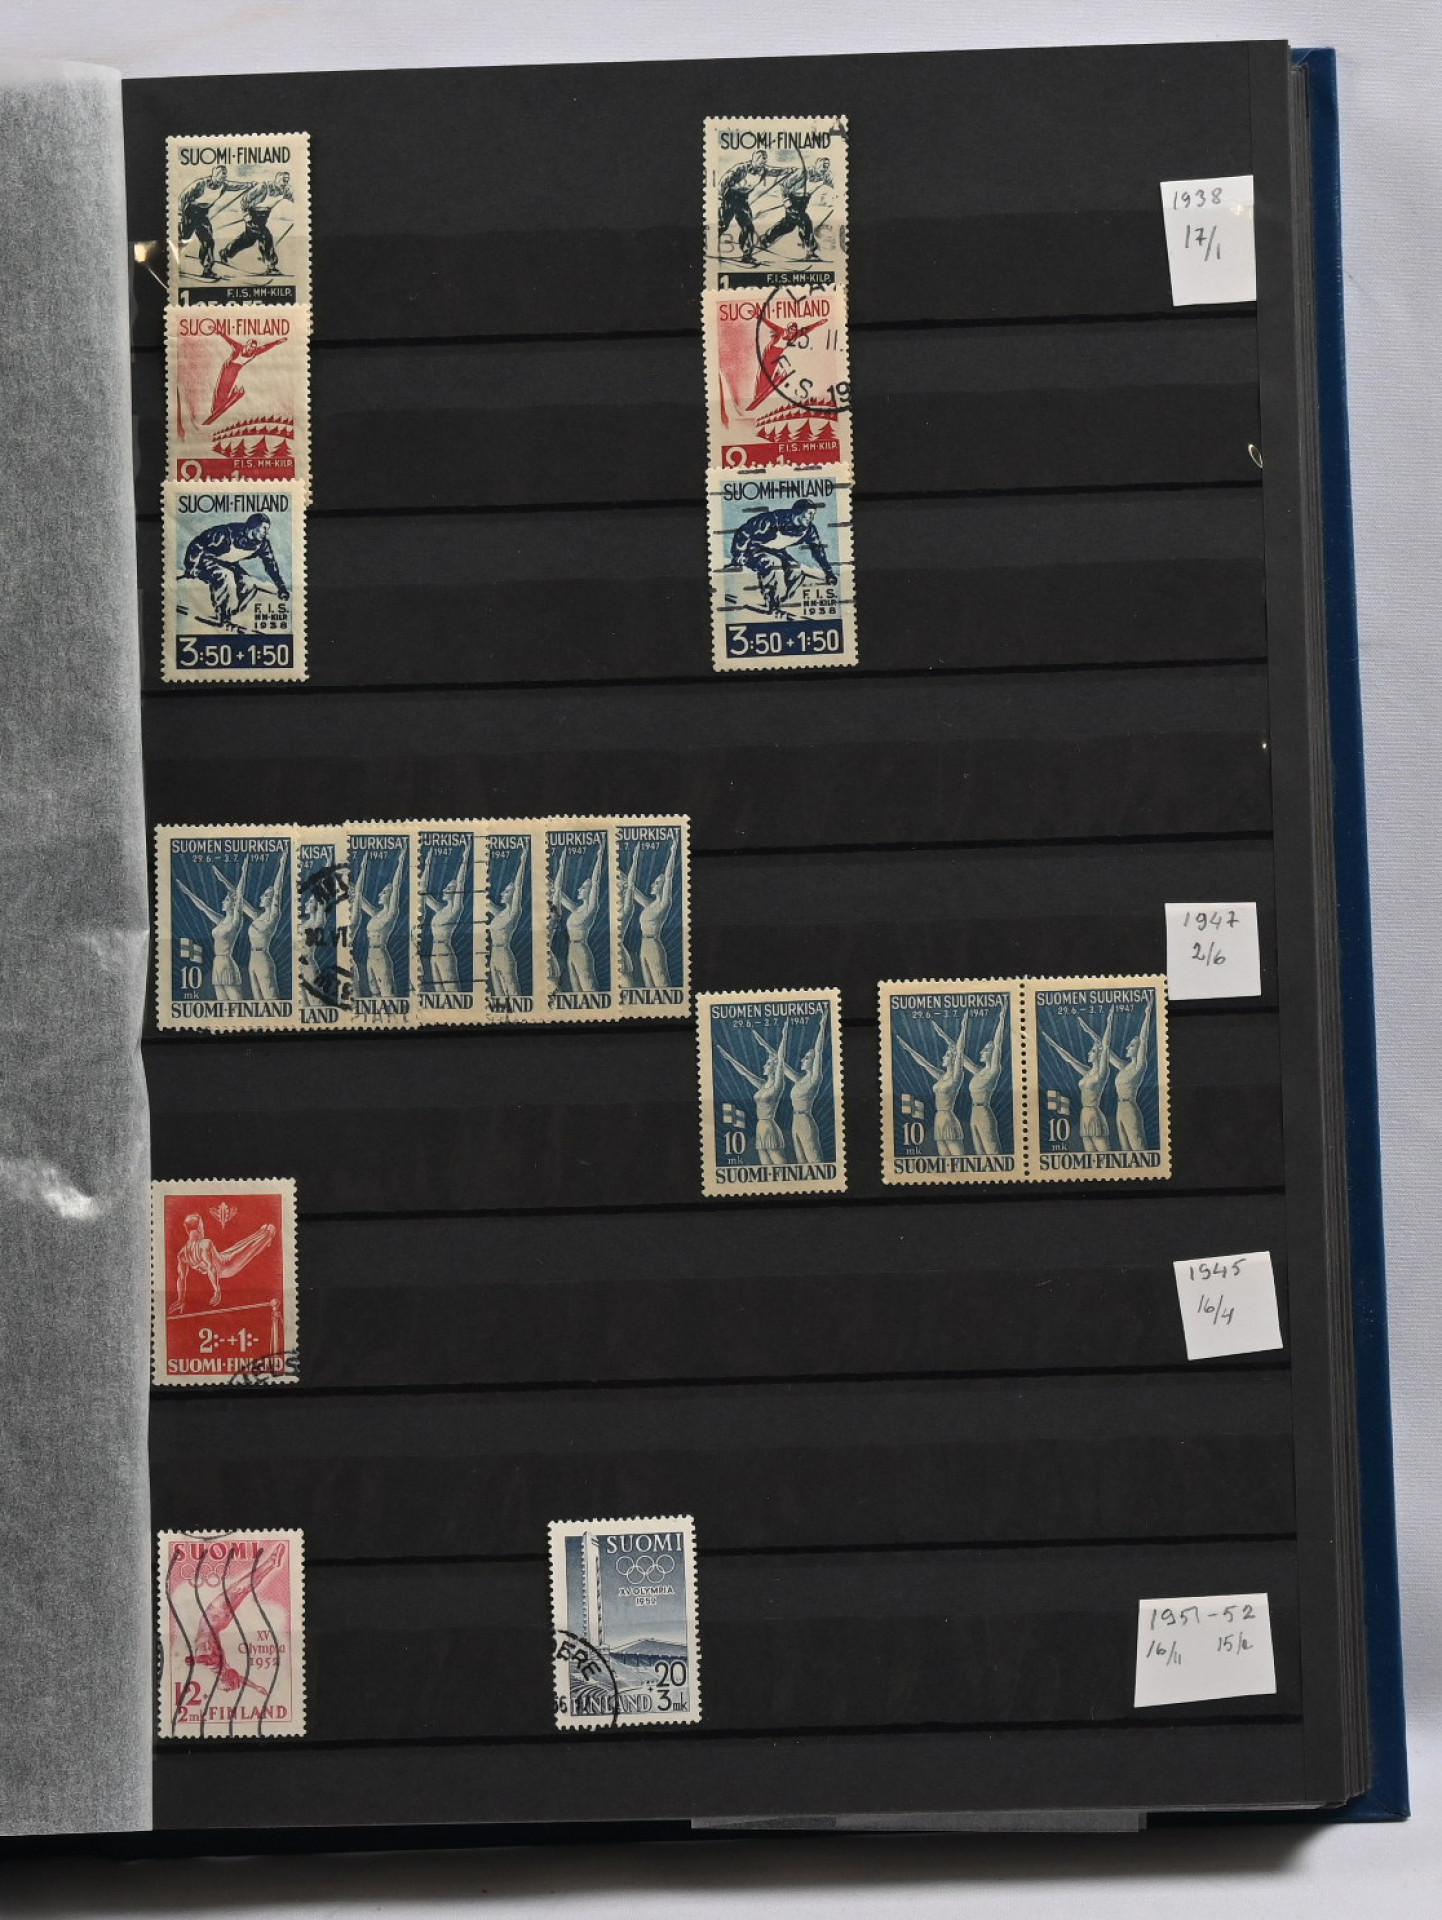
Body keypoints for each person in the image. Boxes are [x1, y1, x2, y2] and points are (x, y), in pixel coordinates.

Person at [728, 494, 836, 617]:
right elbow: (744, 532)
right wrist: (739, 554)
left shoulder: (809, 530)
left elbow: (818, 550)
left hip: (776, 551)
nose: (812, 518)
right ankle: (772, 605)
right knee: (773, 563)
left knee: (796, 569)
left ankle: (779, 601)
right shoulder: (772, 519)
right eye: (809, 514)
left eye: (813, 514)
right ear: (798, 512)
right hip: (752, 550)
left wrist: (828, 572)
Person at [181, 511, 289, 630]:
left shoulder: (262, 544)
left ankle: (230, 611)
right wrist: (191, 566)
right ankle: (224, 617)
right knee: (225, 576)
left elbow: (271, 565)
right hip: (207, 559)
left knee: (249, 583)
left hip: (228, 563)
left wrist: (281, 587)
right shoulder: (225, 533)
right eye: (264, 528)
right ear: (253, 526)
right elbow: (198, 544)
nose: (266, 532)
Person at [174, 855, 251, 1003]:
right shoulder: (221, 921)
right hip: (218, 963)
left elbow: (240, 895)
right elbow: (203, 907)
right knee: (222, 1001)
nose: (223, 901)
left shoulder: (234, 922)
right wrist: (187, 892)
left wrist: (244, 871)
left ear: (233, 904)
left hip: (227, 962)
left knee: (236, 1001)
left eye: (226, 900)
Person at [1078, 1001, 1153, 1152]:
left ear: (1139, 1049)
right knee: (1125, 1148)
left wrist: (1147, 1014)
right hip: (1120, 1109)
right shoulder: (1124, 1067)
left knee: (1137, 1146)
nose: (1127, 1047)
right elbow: (1106, 1050)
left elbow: (1144, 1038)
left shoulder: (1138, 1067)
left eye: (1132, 1045)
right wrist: (1089, 1032)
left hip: (1130, 1108)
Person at [1043, 1005, 1118, 1153]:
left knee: (1104, 1153)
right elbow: (1070, 1060)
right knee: (1090, 1155)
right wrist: (1054, 1045)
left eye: (1093, 1051)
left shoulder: (1101, 1073)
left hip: (1094, 1114)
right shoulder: (1087, 1072)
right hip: (1085, 1115)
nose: (1089, 1052)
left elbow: (1105, 1046)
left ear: (1099, 1055)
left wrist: (1109, 1022)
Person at [173, 1208, 276, 1314]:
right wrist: (216, 1289)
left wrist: (180, 1299)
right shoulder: (204, 1244)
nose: (203, 1229)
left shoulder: (182, 1253)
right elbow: (211, 1267)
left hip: (223, 1258)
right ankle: (268, 1233)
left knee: (242, 1245)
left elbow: (181, 1277)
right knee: (249, 1248)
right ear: (199, 1228)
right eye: (202, 1227)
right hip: (228, 1266)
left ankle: (264, 1233)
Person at [715, 1021, 789, 1166]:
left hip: (769, 1126)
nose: (764, 1065)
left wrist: (784, 1034)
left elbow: (780, 1059)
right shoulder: (762, 1085)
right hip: (760, 1127)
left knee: (779, 1162)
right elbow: (745, 1073)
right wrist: (729, 1058)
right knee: (765, 1164)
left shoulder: (777, 1086)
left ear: (775, 1069)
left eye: (768, 1063)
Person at [896, 1013, 970, 1158]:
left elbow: (960, 1050)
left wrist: (964, 1025)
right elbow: (924, 1064)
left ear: (953, 1059)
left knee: (958, 1157)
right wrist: (908, 1049)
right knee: (944, 1158)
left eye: (946, 1055)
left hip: (948, 1118)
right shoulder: (941, 1076)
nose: (943, 1057)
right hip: (939, 1119)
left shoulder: (955, 1077)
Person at [618, 837, 678, 990]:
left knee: (661, 983)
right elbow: (632, 889)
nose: (653, 884)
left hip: (654, 945)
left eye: (657, 883)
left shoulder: (663, 905)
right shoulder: (649, 905)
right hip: (643, 946)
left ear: (663, 887)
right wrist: (625, 871)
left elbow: (669, 877)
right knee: (649, 985)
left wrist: (673, 852)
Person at [202, 324, 286, 428]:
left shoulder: (255, 352)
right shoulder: (238, 347)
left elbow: (266, 347)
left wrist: (277, 342)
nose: (251, 349)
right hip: (227, 369)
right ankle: (215, 410)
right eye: (250, 346)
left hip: (235, 371)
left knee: (227, 388)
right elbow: (226, 338)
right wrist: (216, 330)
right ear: (246, 345)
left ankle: (219, 408)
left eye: (254, 347)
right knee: (221, 389)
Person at [218, 169, 294, 277]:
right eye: (284, 180)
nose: (286, 182)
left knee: (248, 240)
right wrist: (246, 216)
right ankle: (271, 266)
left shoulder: (286, 190)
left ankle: (225, 253)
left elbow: (295, 200)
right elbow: (245, 200)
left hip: (264, 216)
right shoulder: (263, 187)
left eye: (287, 180)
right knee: (265, 236)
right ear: (277, 179)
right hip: (253, 214)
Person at [777, 1014, 829, 1164]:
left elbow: (818, 1051)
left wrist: (822, 1027)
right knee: (801, 1162)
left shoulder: (814, 1079)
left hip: (806, 1122)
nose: (802, 1060)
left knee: (814, 1159)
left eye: (806, 1058)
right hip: (795, 1122)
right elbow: (782, 1064)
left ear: (813, 1062)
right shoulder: (800, 1079)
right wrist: (782, 1037)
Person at [758, 157, 831, 261]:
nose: (826, 168)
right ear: (817, 164)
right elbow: (784, 185)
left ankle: (766, 239)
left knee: (788, 225)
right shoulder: (803, 172)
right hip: (793, 200)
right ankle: (810, 251)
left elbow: (835, 185)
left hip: (804, 202)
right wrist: (786, 201)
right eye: (823, 165)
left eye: (827, 165)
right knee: (805, 222)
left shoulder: (826, 175)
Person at [352, 851, 404, 999]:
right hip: (370, 957)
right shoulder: (376, 914)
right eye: (382, 891)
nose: (380, 894)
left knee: (387, 995)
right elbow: (359, 897)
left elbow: (396, 885)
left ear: (391, 896)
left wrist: (400, 863)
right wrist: (362, 869)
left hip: (381, 957)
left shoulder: (390, 914)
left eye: (385, 892)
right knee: (374, 993)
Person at [421, 840, 471, 992]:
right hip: (433, 952)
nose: (444, 890)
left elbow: (460, 883)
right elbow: (422, 891)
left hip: (445, 951)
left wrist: (465, 859)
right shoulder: (439, 910)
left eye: (449, 888)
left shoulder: (455, 909)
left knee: (451, 991)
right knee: (439, 992)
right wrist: (427, 864)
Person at [554, 847, 604, 994]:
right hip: (572, 951)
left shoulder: (590, 909)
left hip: (582, 950)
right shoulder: (576, 910)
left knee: (588, 987)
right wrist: (562, 864)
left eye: (583, 887)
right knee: (576, 990)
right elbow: (558, 891)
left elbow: (595, 882)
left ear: (590, 891)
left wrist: (599, 855)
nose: (579, 889)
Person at [239, 848, 287, 1000]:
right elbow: (240, 901)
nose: (261, 897)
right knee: (258, 1001)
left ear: (272, 900)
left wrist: (282, 864)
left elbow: (278, 890)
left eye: (266, 895)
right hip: (252, 960)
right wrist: (242, 873)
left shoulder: (272, 917)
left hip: (263, 959)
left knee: (271, 1000)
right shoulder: (257, 916)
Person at [748, 314, 818, 411]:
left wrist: (819, 323)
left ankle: (765, 387)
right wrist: (757, 315)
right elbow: (769, 323)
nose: (792, 332)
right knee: (764, 374)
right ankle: (758, 394)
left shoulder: (796, 335)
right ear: (788, 329)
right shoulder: (780, 331)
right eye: (791, 329)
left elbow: (807, 329)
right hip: (769, 354)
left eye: (794, 330)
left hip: (777, 355)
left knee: (770, 373)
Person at [487, 840, 528, 1002]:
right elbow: (484, 898)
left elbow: (518, 886)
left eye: (507, 891)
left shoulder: (513, 913)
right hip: (494, 956)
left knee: (512, 993)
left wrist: (523, 860)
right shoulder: (499, 914)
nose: (503, 893)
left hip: (504, 954)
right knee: (499, 996)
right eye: (504, 890)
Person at [177, 164, 230, 280]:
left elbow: (237, 185)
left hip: (202, 215)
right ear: (215, 175)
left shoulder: (224, 185)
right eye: (222, 176)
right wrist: (180, 214)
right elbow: (184, 197)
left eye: (225, 176)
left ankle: (207, 270)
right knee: (182, 240)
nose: (224, 178)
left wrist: (251, 185)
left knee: (208, 241)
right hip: (190, 213)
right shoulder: (201, 183)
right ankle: (173, 266)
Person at [716, 154, 768, 265]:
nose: (762, 166)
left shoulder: (764, 170)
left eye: (764, 163)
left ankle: (747, 255)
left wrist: (790, 170)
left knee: (748, 227)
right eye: (761, 163)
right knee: (723, 225)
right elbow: (724, 181)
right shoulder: (741, 168)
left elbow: (777, 171)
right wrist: (720, 197)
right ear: (754, 160)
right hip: (730, 198)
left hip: (742, 201)